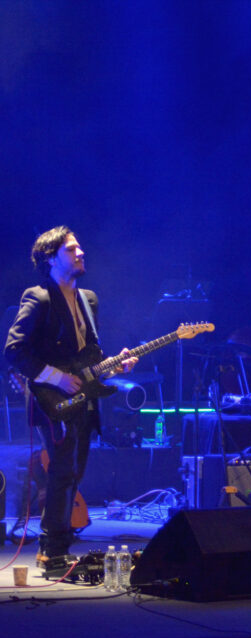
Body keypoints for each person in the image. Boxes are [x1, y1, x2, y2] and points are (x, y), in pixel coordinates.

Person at [4, 226, 137, 568]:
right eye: (71, 249)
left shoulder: (88, 299)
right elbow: (14, 350)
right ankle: (52, 550)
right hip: (52, 399)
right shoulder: (39, 296)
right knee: (62, 470)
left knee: (74, 472)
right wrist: (57, 378)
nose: (81, 253)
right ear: (50, 258)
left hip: (84, 399)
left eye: (80, 248)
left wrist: (115, 366)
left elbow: (89, 357)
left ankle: (58, 545)